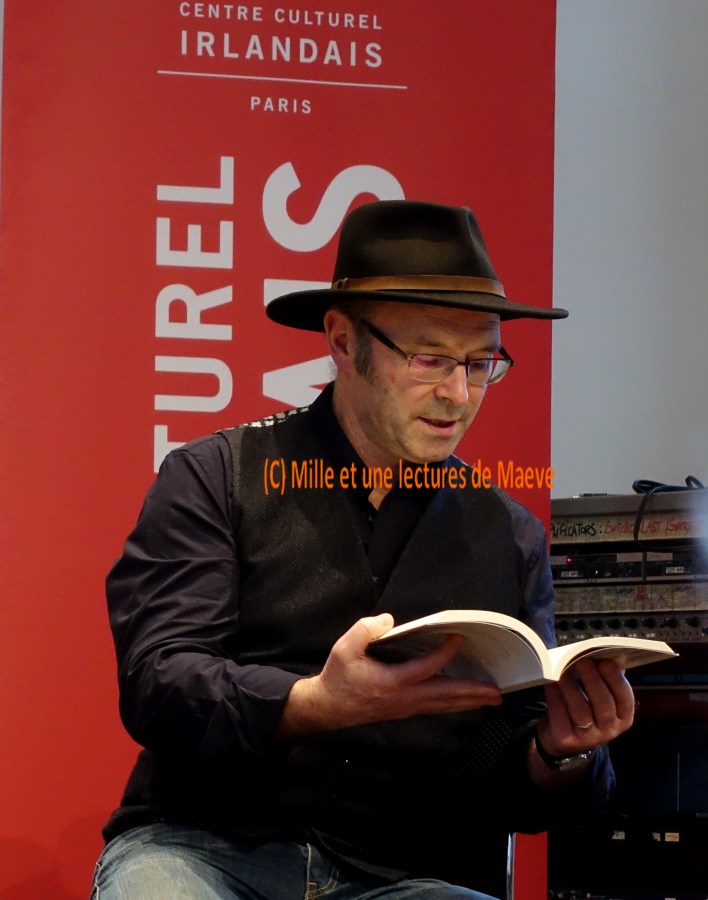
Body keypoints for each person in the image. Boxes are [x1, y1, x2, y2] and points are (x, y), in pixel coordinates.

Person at [91, 200, 636, 900]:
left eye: (480, 363)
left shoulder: (510, 535)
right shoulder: (216, 477)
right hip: (208, 850)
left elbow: (504, 773)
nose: (458, 394)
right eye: (430, 359)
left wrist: (561, 752)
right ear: (344, 342)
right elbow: (159, 683)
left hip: (401, 876)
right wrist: (312, 702)